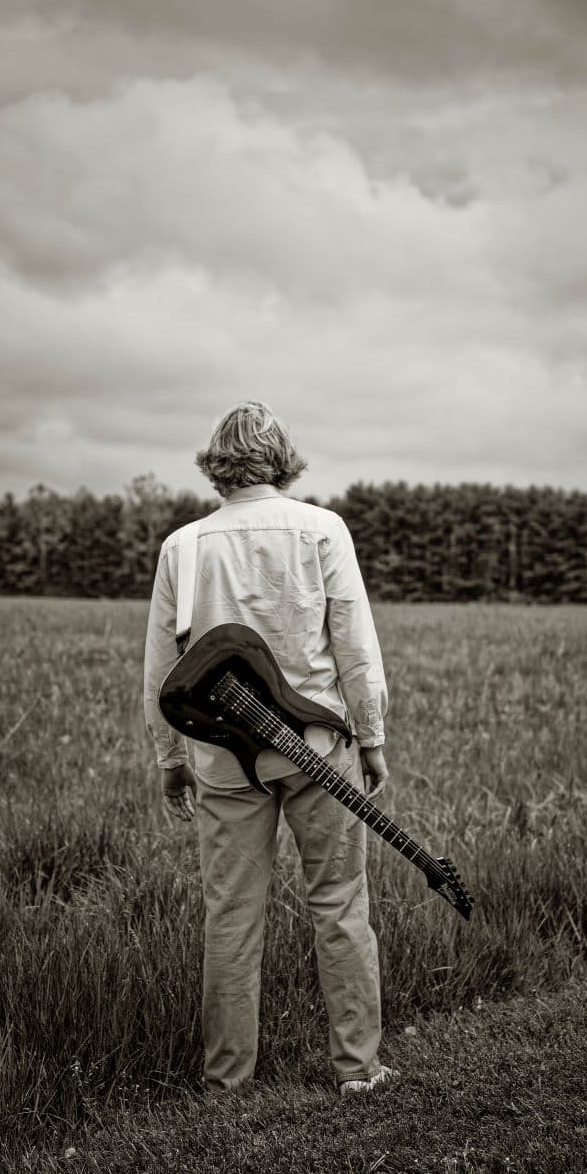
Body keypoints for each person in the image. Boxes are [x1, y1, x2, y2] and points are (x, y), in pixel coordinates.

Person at [143, 400, 396, 1095]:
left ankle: (228, 1081)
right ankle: (358, 1069)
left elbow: (162, 671)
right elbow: (354, 645)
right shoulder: (322, 529)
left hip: (224, 761)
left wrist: (170, 761)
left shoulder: (183, 547)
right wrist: (371, 738)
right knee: (340, 904)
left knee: (230, 914)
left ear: (217, 464)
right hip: (318, 750)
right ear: (283, 459)